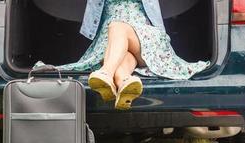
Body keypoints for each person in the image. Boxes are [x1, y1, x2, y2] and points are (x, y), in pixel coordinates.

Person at [35, 0, 210, 110]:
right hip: (109, 40)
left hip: (145, 37)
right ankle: (124, 81)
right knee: (119, 49)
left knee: (117, 26)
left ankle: (105, 73)